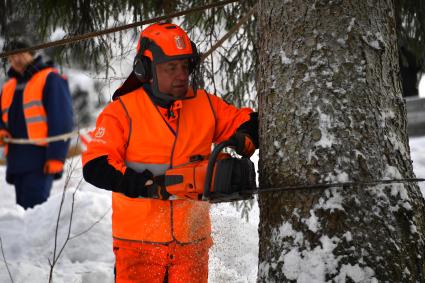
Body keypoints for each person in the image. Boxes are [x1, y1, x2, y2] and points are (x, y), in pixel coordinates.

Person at [82, 22, 258, 283]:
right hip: (139, 244)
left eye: (185, 66)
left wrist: (245, 137)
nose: (181, 75)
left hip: (192, 244)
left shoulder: (204, 104)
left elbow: (247, 120)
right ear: (147, 70)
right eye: (171, 67)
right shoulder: (123, 112)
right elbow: (96, 165)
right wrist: (145, 185)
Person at [0, 39, 74, 209]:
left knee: (35, 214)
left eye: (20, 54)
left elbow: (62, 121)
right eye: (11, 57)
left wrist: (56, 157)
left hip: (40, 162)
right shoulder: (9, 86)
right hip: (17, 162)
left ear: (32, 53)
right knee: (23, 217)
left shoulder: (51, 79)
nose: (15, 60)